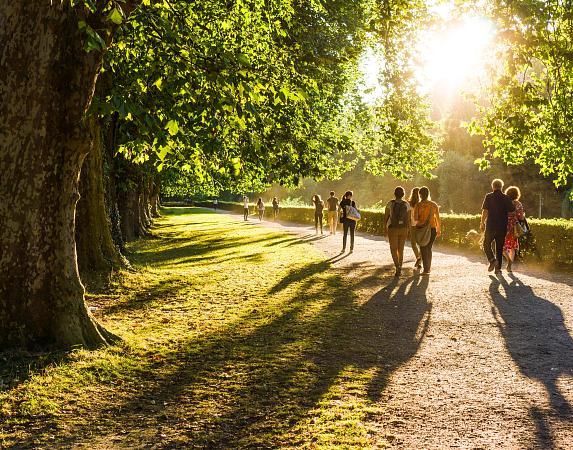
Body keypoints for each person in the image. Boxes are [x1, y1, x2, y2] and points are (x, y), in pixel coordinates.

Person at [480, 179, 515, 273]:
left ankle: (492, 260)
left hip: (491, 225)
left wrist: (482, 222)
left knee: (486, 244)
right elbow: (512, 209)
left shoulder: (489, 196)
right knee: (499, 248)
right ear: (501, 187)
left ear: (493, 186)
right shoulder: (506, 197)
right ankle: (498, 269)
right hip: (502, 226)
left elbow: (485, 211)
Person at [383, 186, 411, 277]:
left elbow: (386, 218)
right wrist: (408, 230)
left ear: (394, 194)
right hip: (404, 229)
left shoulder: (390, 204)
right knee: (401, 249)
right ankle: (400, 266)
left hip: (393, 229)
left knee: (393, 249)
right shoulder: (406, 204)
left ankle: (397, 267)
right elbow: (409, 219)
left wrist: (385, 229)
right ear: (403, 194)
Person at [413, 186, 441, 275]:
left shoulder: (418, 205)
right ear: (428, 194)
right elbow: (438, 218)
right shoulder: (433, 205)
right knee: (429, 248)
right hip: (432, 228)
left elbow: (415, 218)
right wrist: (439, 229)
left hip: (421, 229)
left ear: (420, 195)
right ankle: (428, 268)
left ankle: (426, 269)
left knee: (423, 248)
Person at [502, 186, 525, 272]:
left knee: (501, 245)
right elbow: (521, 218)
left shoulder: (503, 203)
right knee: (512, 247)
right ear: (517, 194)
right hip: (513, 227)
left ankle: (508, 260)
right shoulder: (518, 204)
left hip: (503, 225)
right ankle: (509, 265)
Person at [408, 187, 422, 269]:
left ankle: (418, 258)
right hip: (420, 225)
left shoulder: (409, 203)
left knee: (413, 243)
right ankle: (419, 259)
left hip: (412, 225)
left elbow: (408, 216)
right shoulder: (422, 204)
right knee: (421, 244)